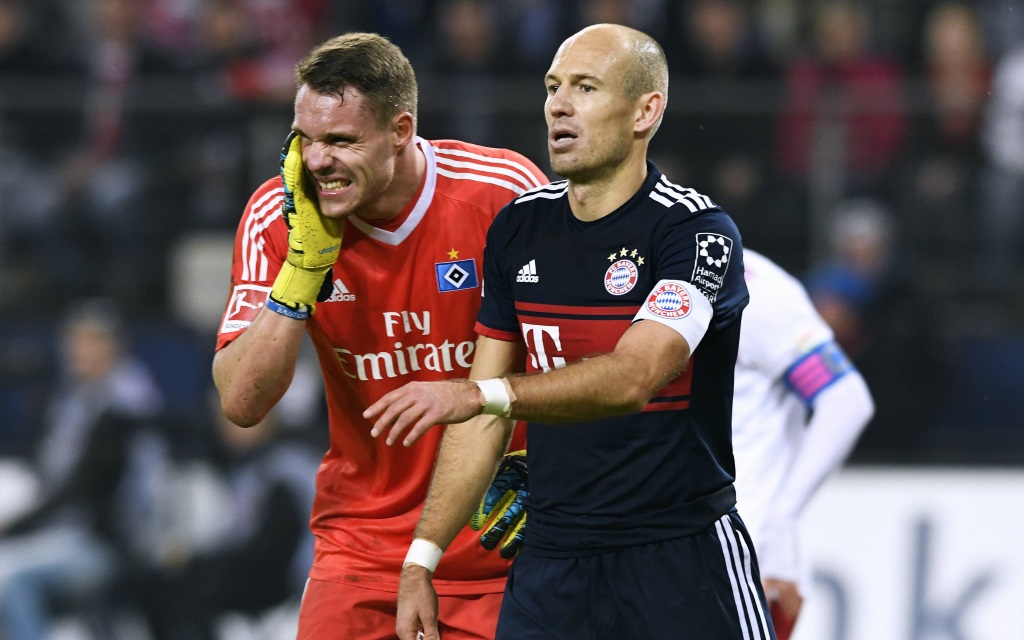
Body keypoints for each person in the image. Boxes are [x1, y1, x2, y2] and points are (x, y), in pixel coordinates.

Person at [366, 23, 774, 640]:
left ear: (646, 112)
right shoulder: (518, 230)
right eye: (554, 86)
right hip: (551, 567)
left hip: (680, 558)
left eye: (585, 88)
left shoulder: (696, 234)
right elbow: (486, 419)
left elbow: (635, 377)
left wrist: (480, 394)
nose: (558, 104)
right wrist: (422, 558)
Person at [211, 32, 548, 639]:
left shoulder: (504, 193)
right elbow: (241, 402)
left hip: (497, 545)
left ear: (400, 130)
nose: (317, 162)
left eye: (341, 141)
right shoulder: (279, 217)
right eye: (305, 140)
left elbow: (575, 353)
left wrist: (549, 465)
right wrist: (303, 271)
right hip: (359, 547)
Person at [0, 300, 166, 639]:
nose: (74, 351)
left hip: (107, 541)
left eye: (87, 341)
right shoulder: (78, 396)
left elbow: (134, 487)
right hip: (68, 530)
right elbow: (54, 475)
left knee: (10, 582)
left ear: (110, 345)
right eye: (73, 341)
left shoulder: (127, 401)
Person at [732, 249, 874, 640]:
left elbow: (844, 399)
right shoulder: (600, 276)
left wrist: (782, 518)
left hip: (740, 554)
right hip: (636, 543)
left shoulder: (747, 287)